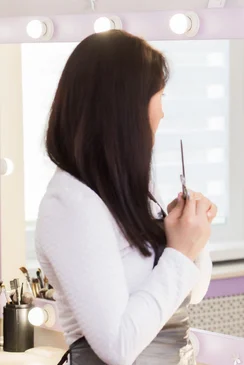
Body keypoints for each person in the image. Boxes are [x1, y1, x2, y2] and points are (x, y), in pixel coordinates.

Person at [35, 30, 215, 365]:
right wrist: (178, 251)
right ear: (126, 108)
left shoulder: (135, 192)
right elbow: (117, 347)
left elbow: (193, 292)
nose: (162, 113)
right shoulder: (71, 206)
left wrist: (193, 237)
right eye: (159, 96)